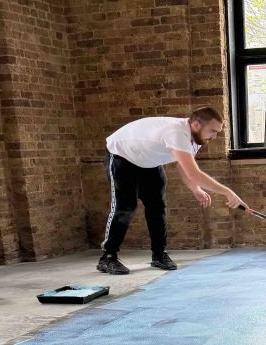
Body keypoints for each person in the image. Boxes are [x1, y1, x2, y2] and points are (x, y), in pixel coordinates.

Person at [98, 106, 246, 274]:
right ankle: (108, 257)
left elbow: (184, 168)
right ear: (196, 125)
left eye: (217, 132)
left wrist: (195, 189)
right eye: (213, 131)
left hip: (149, 162)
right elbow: (194, 173)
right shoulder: (177, 133)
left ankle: (159, 255)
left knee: (157, 207)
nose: (215, 136)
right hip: (122, 156)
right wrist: (227, 192)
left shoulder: (196, 137)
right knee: (126, 207)